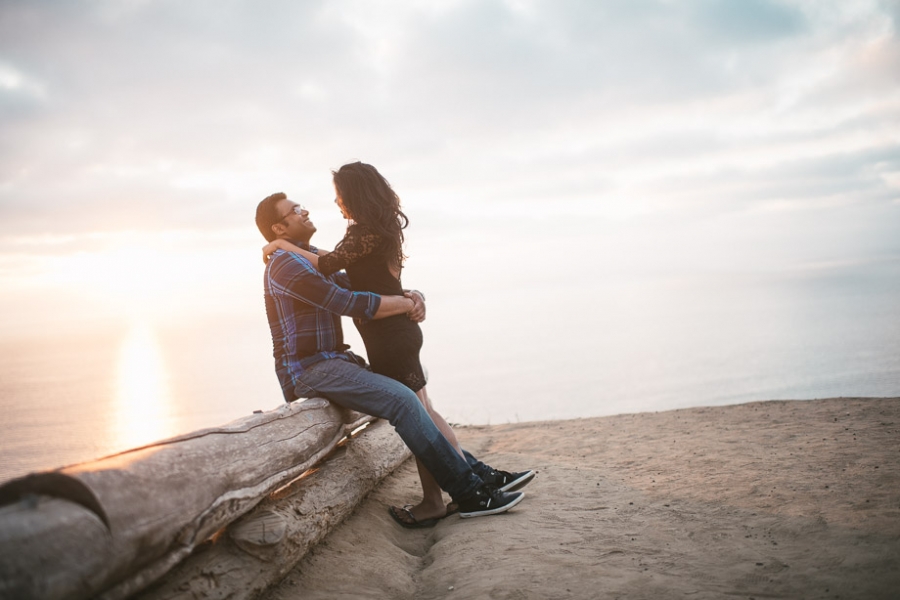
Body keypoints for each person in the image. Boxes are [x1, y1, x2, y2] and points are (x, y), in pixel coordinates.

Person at [262, 163, 535, 527]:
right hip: (308, 370)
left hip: (336, 361)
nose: (306, 210)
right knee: (404, 399)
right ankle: (470, 491)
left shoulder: (308, 259)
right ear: (278, 228)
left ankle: (477, 477)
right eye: (295, 210)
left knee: (416, 401)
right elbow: (349, 302)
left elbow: (360, 284)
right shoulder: (284, 264)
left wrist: (411, 294)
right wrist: (406, 304)